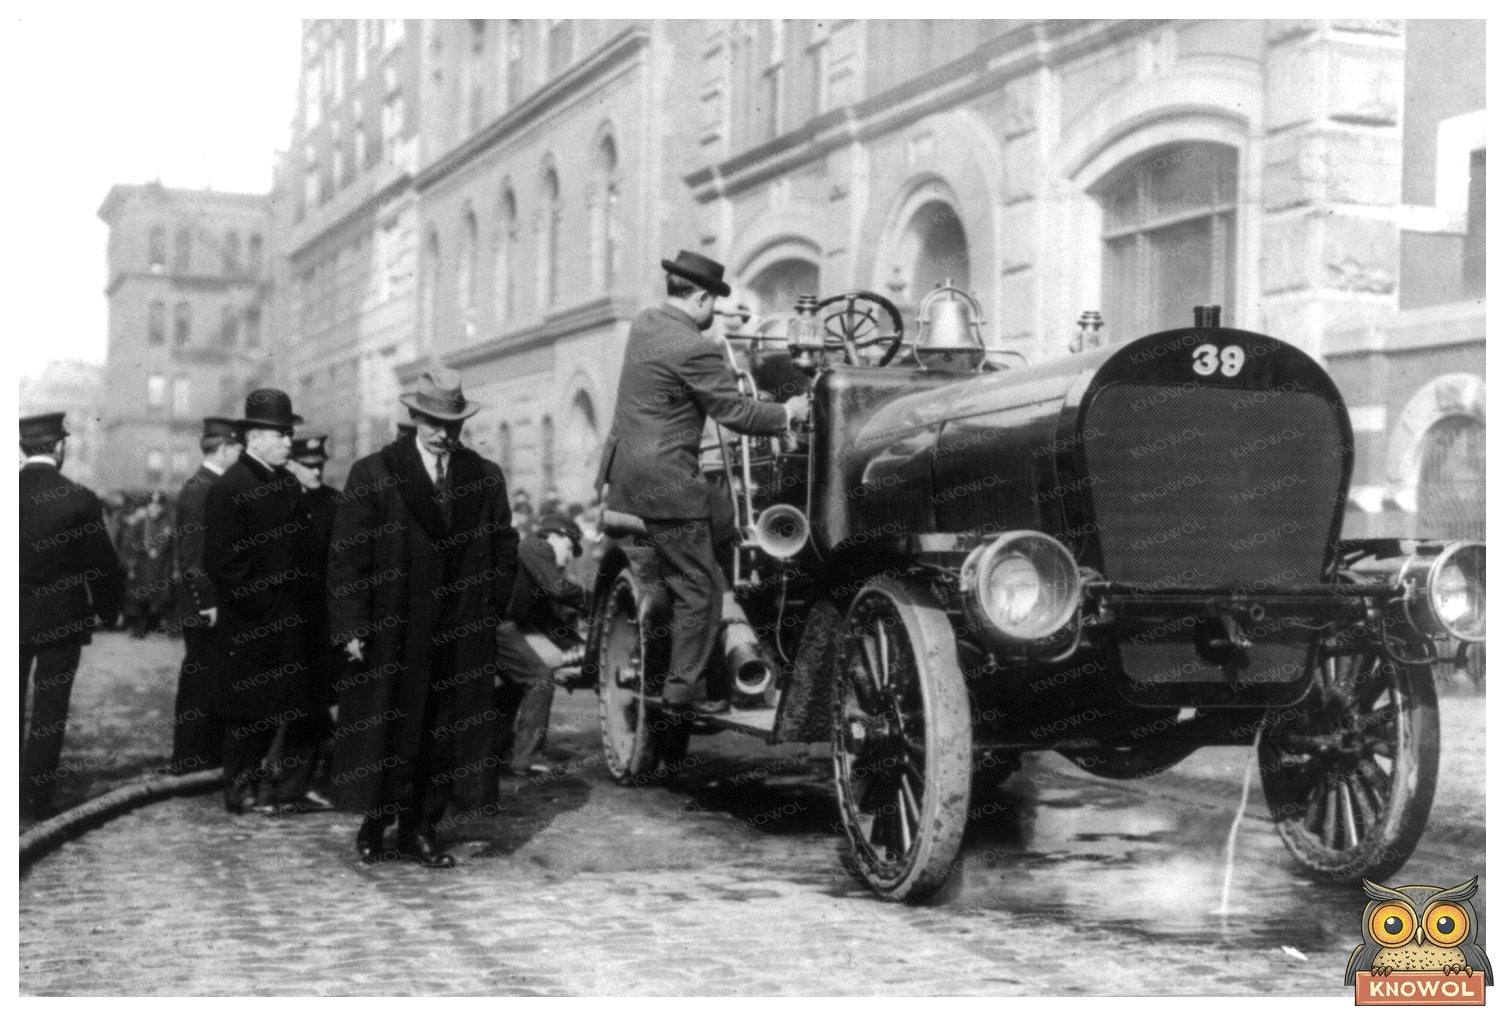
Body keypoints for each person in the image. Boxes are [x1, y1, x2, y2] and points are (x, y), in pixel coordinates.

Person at [596, 249, 809, 715]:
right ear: (702, 299)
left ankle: (737, 571)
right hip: (668, 482)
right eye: (714, 303)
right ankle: (682, 693)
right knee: (700, 590)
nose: (716, 313)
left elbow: (688, 345)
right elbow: (735, 412)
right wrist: (788, 411)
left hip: (630, 472)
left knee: (725, 514)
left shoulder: (648, 324)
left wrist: (722, 318)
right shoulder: (696, 348)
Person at [328, 366, 518, 867]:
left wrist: (489, 609)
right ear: (413, 418)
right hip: (395, 626)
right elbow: (348, 557)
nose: (441, 433)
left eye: (450, 424)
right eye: (431, 422)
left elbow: (503, 546)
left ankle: (421, 827)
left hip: (458, 629)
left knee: (444, 727)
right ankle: (374, 824)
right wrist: (350, 625)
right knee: (387, 726)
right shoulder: (376, 473)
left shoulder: (482, 476)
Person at [204, 389, 325, 815]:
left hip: (293, 617)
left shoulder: (285, 483)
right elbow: (224, 561)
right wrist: (264, 606)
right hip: (256, 621)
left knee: (293, 705)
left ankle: (283, 789)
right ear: (253, 437)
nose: (288, 442)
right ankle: (241, 792)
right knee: (249, 713)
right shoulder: (230, 488)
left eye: (289, 434)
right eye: (280, 434)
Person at [19, 412, 124, 818]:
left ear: (23, 447)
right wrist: (108, 610)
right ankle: (34, 799)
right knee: (50, 709)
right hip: (60, 619)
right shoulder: (79, 499)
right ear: (60, 447)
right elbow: (103, 565)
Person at [168, 416, 241, 772]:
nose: (241, 453)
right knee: (199, 681)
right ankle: (189, 760)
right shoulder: (203, 488)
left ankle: (200, 757)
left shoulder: (209, 484)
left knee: (207, 679)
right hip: (203, 605)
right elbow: (193, 556)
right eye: (238, 447)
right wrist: (209, 602)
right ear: (224, 447)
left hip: (205, 604)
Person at [493, 515, 587, 777]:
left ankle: (496, 752)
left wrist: (582, 652)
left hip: (493, 624)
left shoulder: (530, 561)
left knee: (514, 684)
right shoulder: (535, 546)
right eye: (569, 547)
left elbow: (550, 622)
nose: (569, 557)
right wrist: (591, 599)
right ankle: (528, 757)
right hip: (497, 625)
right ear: (554, 537)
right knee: (539, 680)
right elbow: (558, 589)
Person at [287, 433, 340, 781]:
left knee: (325, 692)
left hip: (325, 615)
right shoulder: (278, 502)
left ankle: (316, 774)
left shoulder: (335, 502)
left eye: (320, 465)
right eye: (308, 467)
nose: (316, 473)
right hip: (290, 616)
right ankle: (284, 777)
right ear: (291, 465)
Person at [124, 490, 175, 637]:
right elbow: (130, 543)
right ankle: (140, 628)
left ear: (163, 507)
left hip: (163, 565)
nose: (154, 508)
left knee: (165, 597)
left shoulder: (169, 524)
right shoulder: (140, 524)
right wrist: (132, 562)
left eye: (158, 505)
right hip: (144, 565)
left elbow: (174, 544)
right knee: (141, 598)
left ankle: (166, 627)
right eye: (152, 505)